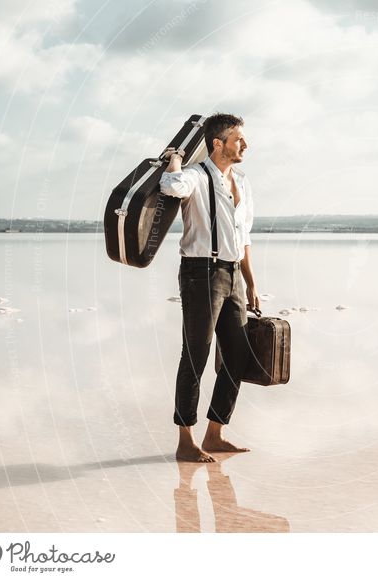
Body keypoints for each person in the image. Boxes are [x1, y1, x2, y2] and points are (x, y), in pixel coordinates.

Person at [160, 113, 260, 463]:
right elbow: (171, 186)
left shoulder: (243, 182)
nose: (245, 145)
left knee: (237, 356)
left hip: (232, 275)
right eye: (238, 140)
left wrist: (251, 285)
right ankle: (185, 441)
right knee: (196, 355)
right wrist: (174, 160)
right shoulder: (196, 176)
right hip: (200, 273)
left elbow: (243, 237)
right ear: (218, 144)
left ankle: (215, 434)